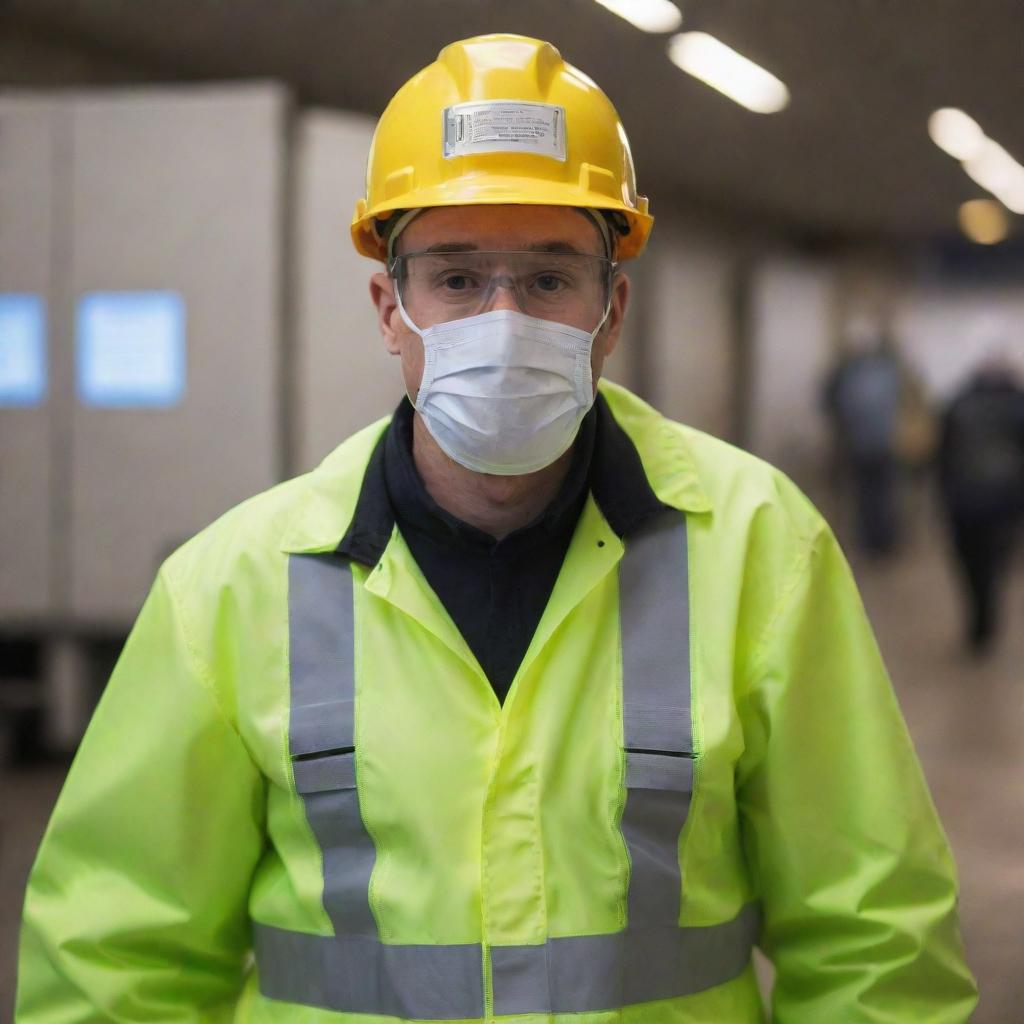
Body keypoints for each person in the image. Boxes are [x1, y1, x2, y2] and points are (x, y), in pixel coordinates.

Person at [17, 33, 976, 1023]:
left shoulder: (759, 550)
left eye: (551, 276)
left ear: (611, 311)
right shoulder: (230, 586)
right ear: (391, 308)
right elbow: (116, 959)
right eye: (459, 278)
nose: (505, 318)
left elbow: (873, 939)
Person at [938, 359, 1024, 654]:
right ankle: (987, 621)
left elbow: (942, 457)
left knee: (971, 567)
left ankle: (979, 623)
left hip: (964, 502)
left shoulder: (957, 403)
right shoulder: (1018, 404)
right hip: (1006, 503)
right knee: (996, 566)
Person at [823, 328, 907, 556]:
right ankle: (881, 539)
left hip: (863, 443)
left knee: (869, 494)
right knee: (878, 493)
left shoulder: (852, 373)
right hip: (879, 443)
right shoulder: (886, 372)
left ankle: (874, 540)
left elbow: (831, 400)